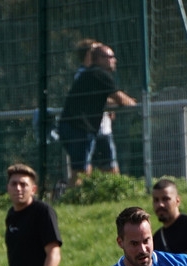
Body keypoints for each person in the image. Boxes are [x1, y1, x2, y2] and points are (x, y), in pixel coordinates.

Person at [57, 43, 136, 184]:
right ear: (98, 59)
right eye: (110, 57)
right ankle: (73, 198)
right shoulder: (99, 74)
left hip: (73, 126)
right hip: (79, 128)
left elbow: (103, 99)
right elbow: (122, 100)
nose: (114, 60)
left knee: (88, 167)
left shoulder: (91, 74)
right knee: (81, 171)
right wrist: (138, 104)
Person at [150, 179, 187, 258]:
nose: (160, 204)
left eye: (165, 199)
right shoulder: (157, 238)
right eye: (156, 200)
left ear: (177, 200)